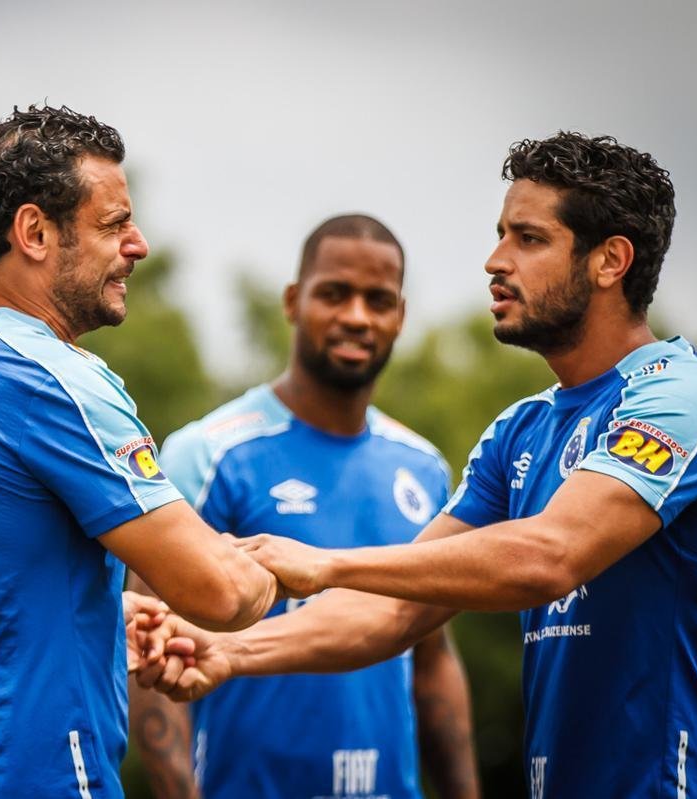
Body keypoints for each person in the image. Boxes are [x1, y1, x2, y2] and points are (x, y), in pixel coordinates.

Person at [138, 132, 697, 797]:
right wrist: (230, 653)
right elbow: (397, 613)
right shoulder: (518, 432)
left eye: (527, 238)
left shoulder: (685, 397)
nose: (495, 260)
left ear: (610, 260)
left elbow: (550, 557)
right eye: (500, 234)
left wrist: (326, 562)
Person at [0, 105, 279, 798]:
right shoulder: (50, 372)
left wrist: (90, 613)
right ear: (34, 231)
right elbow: (216, 591)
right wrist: (271, 571)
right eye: (113, 224)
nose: (139, 244)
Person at [129, 215, 479, 799]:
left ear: (401, 316)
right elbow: (148, 645)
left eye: (378, 300)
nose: (357, 317)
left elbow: (432, 654)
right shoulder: (210, 453)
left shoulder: (424, 468)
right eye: (334, 294)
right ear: (294, 301)